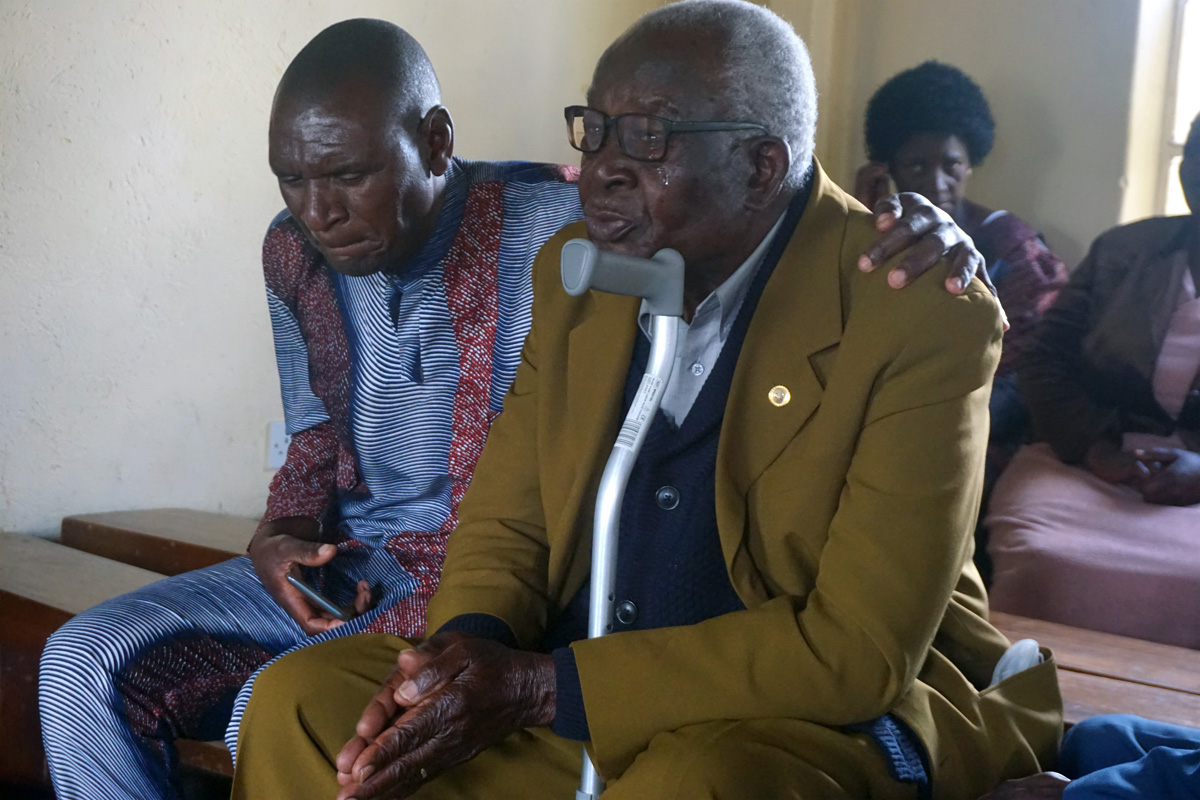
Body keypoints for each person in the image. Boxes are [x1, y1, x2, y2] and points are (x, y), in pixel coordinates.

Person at [36, 16, 984, 800]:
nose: (604, 170)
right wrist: (471, 653)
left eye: (645, 140)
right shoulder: (586, 274)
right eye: (596, 129)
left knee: (690, 783)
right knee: (301, 704)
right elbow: (509, 514)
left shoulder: (914, 307)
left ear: (762, 163)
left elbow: (853, 653)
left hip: (776, 711)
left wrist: (536, 685)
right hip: (563, 661)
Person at [985, 112, 1200, 649]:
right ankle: (1020, 709)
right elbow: (1043, 358)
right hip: (1085, 463)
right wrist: (1094, 449)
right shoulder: (1121, 252)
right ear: (1185, 172)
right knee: (1041, 559)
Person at [855, 62, 1069, 567]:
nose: (937, 182)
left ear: (971, 163)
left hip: (975, 428)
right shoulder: (866, 235)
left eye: (951, 165)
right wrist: (862, 220)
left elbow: (1021, 374)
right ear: (886, 170)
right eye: (915, 166)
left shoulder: (1009, 244)